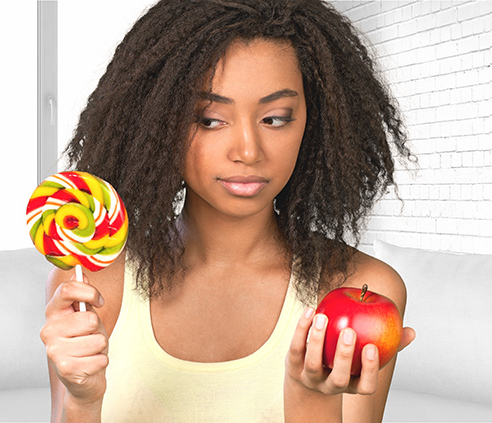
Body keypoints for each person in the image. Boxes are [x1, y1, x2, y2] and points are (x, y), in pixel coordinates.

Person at [39, 0, 416, 421]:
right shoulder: (94, 284)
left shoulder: (359, 287)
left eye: (275, 118)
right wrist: (82, 400)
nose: (248, 151)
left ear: (316, 121)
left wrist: (312, 396)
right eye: (210, 119)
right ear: (158, 120)